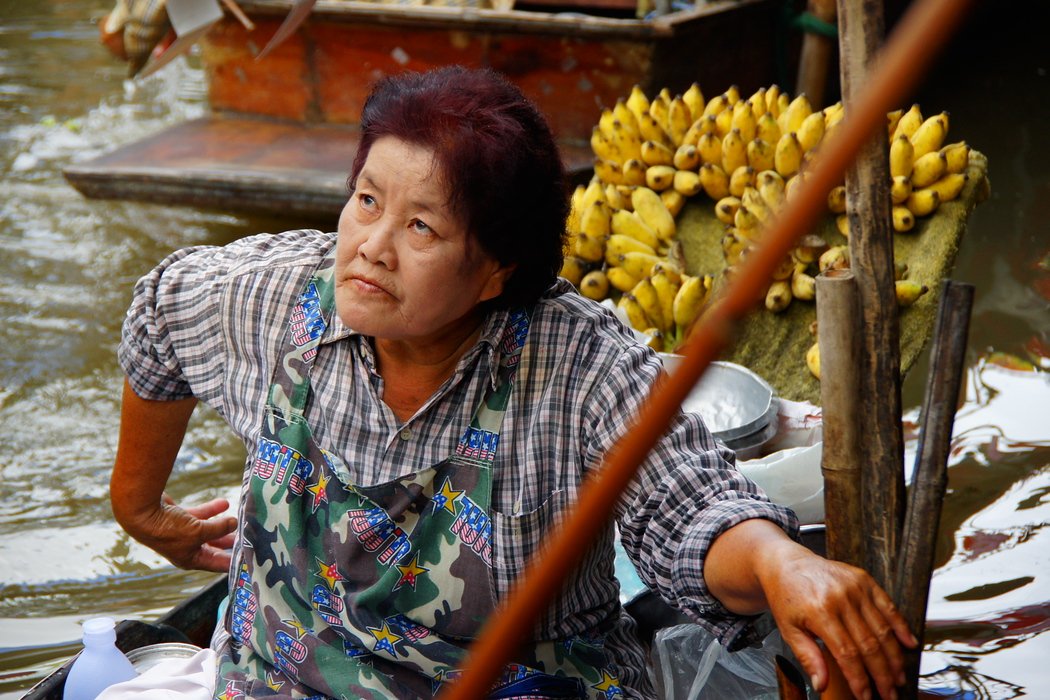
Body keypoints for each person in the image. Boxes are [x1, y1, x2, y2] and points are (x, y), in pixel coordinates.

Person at [110, 65, 915, 699]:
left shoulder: (580, 363)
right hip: (284, 682)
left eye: (421, 226)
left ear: (497, 269)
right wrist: (140, 507)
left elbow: (690, 507)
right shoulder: (279, 296)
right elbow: (158, 312)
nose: (371, 246)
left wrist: (781, 564)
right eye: (366, 201)